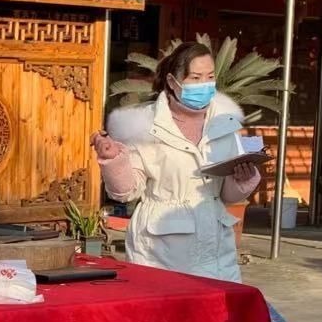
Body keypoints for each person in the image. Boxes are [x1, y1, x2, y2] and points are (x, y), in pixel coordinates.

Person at [91, 42, 262, 284]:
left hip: (217, 251)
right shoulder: (144, 125)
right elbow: (126, 192)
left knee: (220, 306)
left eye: (210, 77)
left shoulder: (225, 123)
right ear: (173, 82)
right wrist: (113, 160)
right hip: (161, 250)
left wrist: (243, 180)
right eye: (196, 77)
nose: (204, 84)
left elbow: (226, 195)